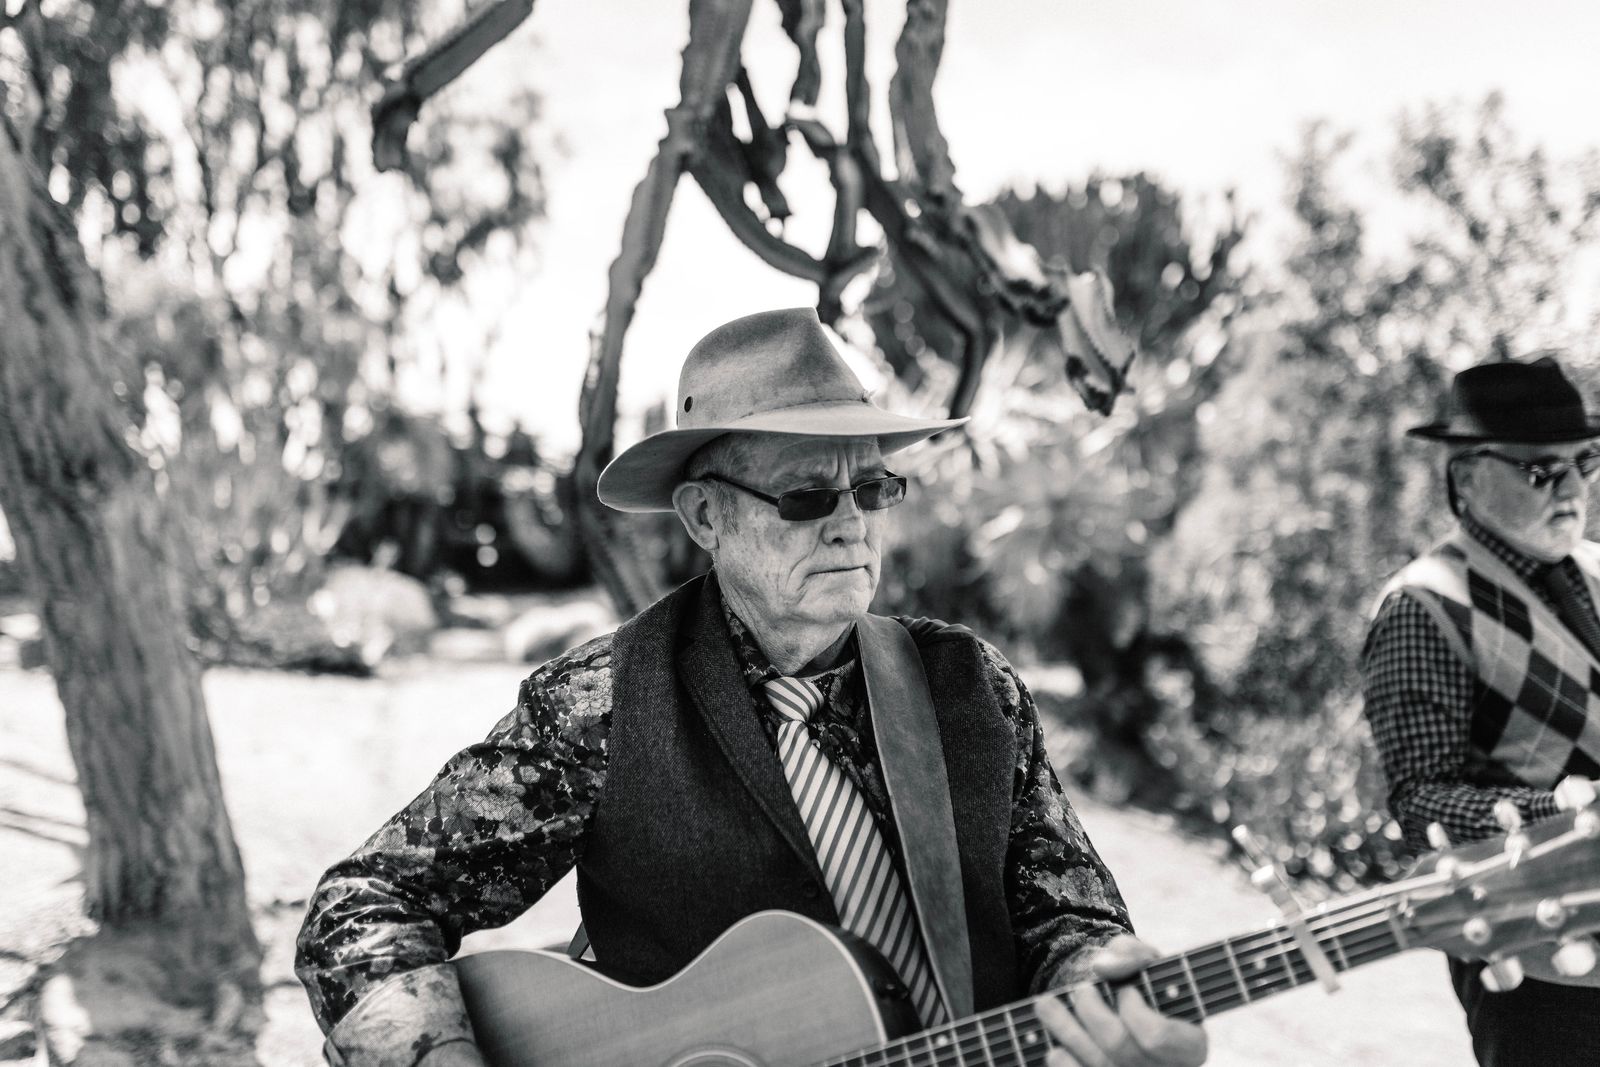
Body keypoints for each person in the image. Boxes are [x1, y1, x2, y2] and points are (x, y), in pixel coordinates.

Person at [295, 308, 1208, 1067]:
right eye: (807, 497)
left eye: (871, 490)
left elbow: (1070, 922)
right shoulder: (601, 704)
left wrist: (1105, 988)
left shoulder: (975, 688)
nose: (850, 526)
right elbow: (362, 904)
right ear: (706, 515)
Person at [1360, 356, 1600, 1066]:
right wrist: (1569, 815)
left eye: (1584, 462)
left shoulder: (1596, 567)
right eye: (1540, 470)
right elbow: (1420, 803)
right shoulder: (1422, 606)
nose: (1572, 488)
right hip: (1537, 957)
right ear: (1465, 477)